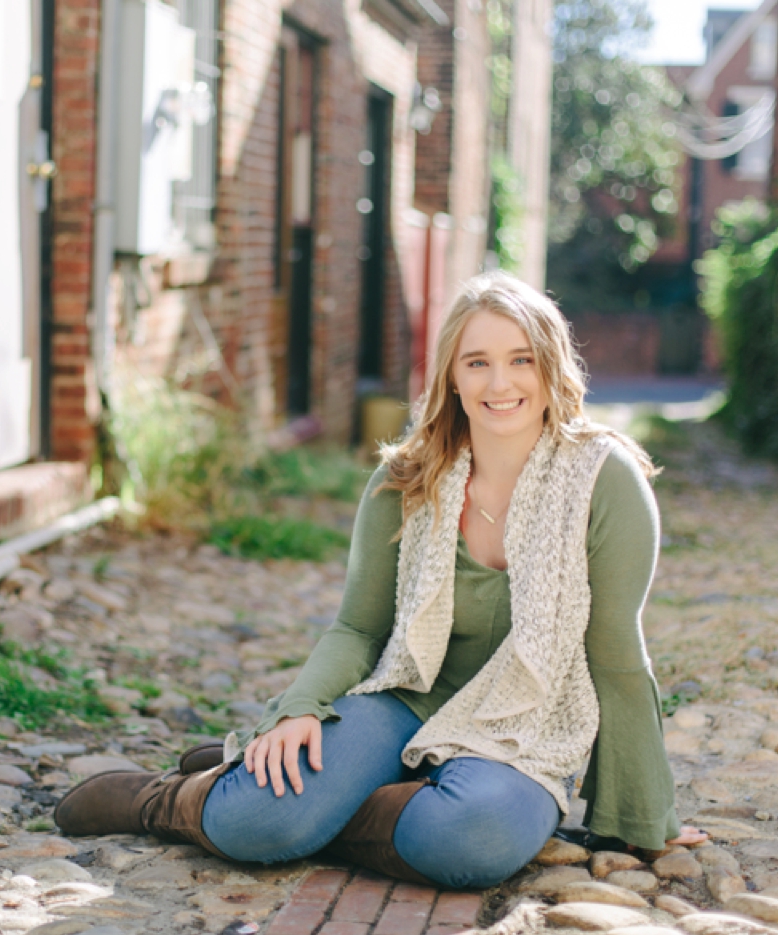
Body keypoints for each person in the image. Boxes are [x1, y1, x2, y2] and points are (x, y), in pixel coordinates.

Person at [54, 272, 705, 889]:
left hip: (520, 727)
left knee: (470, 838)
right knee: (254, 822)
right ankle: (170, 800)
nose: (499, 382)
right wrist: (299, 710)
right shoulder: (407, 482)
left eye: (521, 359)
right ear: (450, 374)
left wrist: (647, 821)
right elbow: (358, 629)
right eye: (476, 361)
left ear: (550, 365)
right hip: (404, 697)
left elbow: (617, 654)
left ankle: (326, 805)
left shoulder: (602, 481)